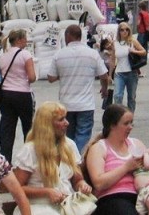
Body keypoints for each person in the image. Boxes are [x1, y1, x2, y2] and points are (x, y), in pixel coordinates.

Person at [84, 104, 149, 215]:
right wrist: (126, 167)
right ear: (112, 125)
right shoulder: (99, 148)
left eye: (131, 122)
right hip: (112, 197)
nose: (130, 127)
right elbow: (99, 183)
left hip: (141, 194)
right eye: (126, 123)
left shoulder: (137, 144)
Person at [13, 102, 93, 211]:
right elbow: (17, 189)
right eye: (61, 119)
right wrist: (46, 192)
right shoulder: (30, 150)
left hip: (68, 206)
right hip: (37, 206)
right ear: (47, 125)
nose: (67, 123)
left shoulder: (70, 145)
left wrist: (82, 185)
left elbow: (77, 180)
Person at [45, 24, 109, 152]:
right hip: (86, 104)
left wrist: (63, 74)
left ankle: (69, 162)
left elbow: (51, 78)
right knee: (83, 136)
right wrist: (104, 89)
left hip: (66, 104)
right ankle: (78, 161)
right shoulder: (92, 54)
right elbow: (104, 75)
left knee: (67, 137)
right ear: (80, 36)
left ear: (68, 36)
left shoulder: (59, 54)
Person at [0, 28, 36, 162]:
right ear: (19, 40)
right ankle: (29, 158)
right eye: (25, 38)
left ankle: (5, 159)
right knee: (28, 127)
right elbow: (32, 77)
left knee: (7, 128)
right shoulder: (25, 55)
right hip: (22, 94)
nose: (26, 41)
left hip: (6, 94)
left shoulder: (3, 56)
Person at [113, 22, 147, 112]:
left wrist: (134, 51)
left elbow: (144, 51)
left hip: (132, 73)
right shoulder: (115, 43)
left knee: (131, 97)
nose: (125, 32)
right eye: (122, 30)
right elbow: (112, 59)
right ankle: (119, 117)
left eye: (127, 29)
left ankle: (129, 117)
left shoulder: (132, 41)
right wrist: (109, 75)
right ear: (119, 32)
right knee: (117, 96)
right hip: (119, 73)